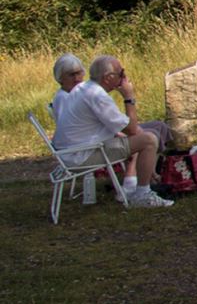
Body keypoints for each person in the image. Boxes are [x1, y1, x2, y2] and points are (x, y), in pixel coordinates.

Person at [52, 55, 172, 208]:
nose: (124, 78)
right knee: (149, 140)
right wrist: (129, 97)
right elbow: (132, 129)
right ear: (108, 78)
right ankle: (142, 194)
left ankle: (138, 185)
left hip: (70, 152)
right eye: (121, 74)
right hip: (81, 156)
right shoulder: (97, 96)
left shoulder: (83, 89)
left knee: (147, 134)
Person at [49, 53, 86, 121]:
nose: (76, 78)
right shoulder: (63, 98)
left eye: (78, 73)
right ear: (61, 78)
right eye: (71, 75)